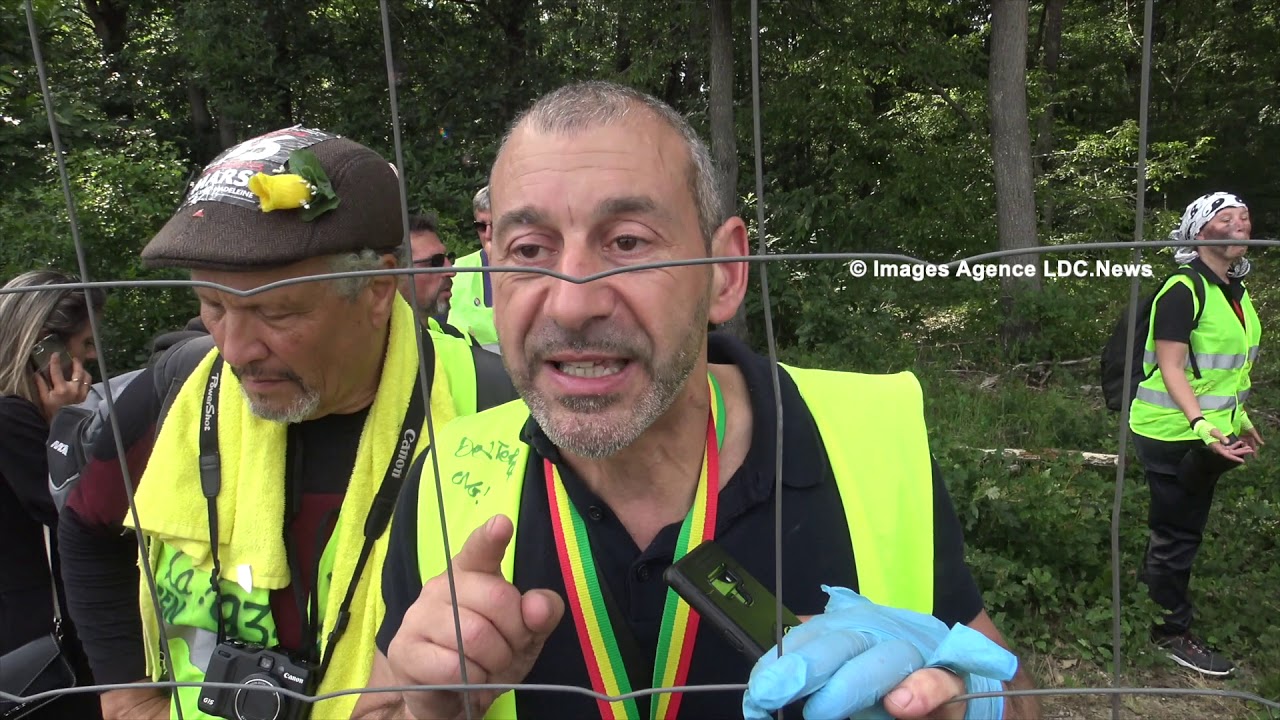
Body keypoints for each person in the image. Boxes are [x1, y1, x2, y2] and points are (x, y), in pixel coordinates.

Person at [356, 82, 1038, 720]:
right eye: (529, 249)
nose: (571, 302)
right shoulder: (450, 470)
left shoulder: (868, 438)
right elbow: (378, 706)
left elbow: (1004, 683)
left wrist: (968, 699)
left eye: (626, 242)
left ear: (725, 273)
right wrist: (429, 708)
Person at [57, 127, 517, 720]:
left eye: (275, 311)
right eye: (213, 305)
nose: (237, 348)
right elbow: (85, 529)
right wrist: (126, 696)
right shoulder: (178, 394)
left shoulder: (494, 408)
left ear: (379, 287)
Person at [1129, 191, 1261, 676]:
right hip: (1172, 431)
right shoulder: (1184, 289)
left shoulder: (1234, 291)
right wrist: (1202, 425)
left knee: (1179, 526)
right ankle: (1169, 631)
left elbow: (1229, 369)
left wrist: (1238, 417)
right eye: (1226, 218)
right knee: (1177, 532)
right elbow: (1171, 368)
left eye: (1245, 217)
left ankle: (1152, 607)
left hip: (1208, 431)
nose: (1241, 224)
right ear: (1200, 233)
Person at [0, 270, 104, 720]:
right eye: (84, 344)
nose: (94, 357)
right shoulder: (11, 420)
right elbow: (76, 509)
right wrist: (69, 422)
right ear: (45, 350)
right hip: (37, 649)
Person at [447, 185, 500, 351]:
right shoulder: (458, 269)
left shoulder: (535, 266)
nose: (488, 234)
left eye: (495, 224)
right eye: (481, 226)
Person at [399, 212, 456, 324]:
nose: (451, 271)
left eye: (448, 258)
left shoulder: (460, 338)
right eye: (435, 261)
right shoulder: (372, 341)